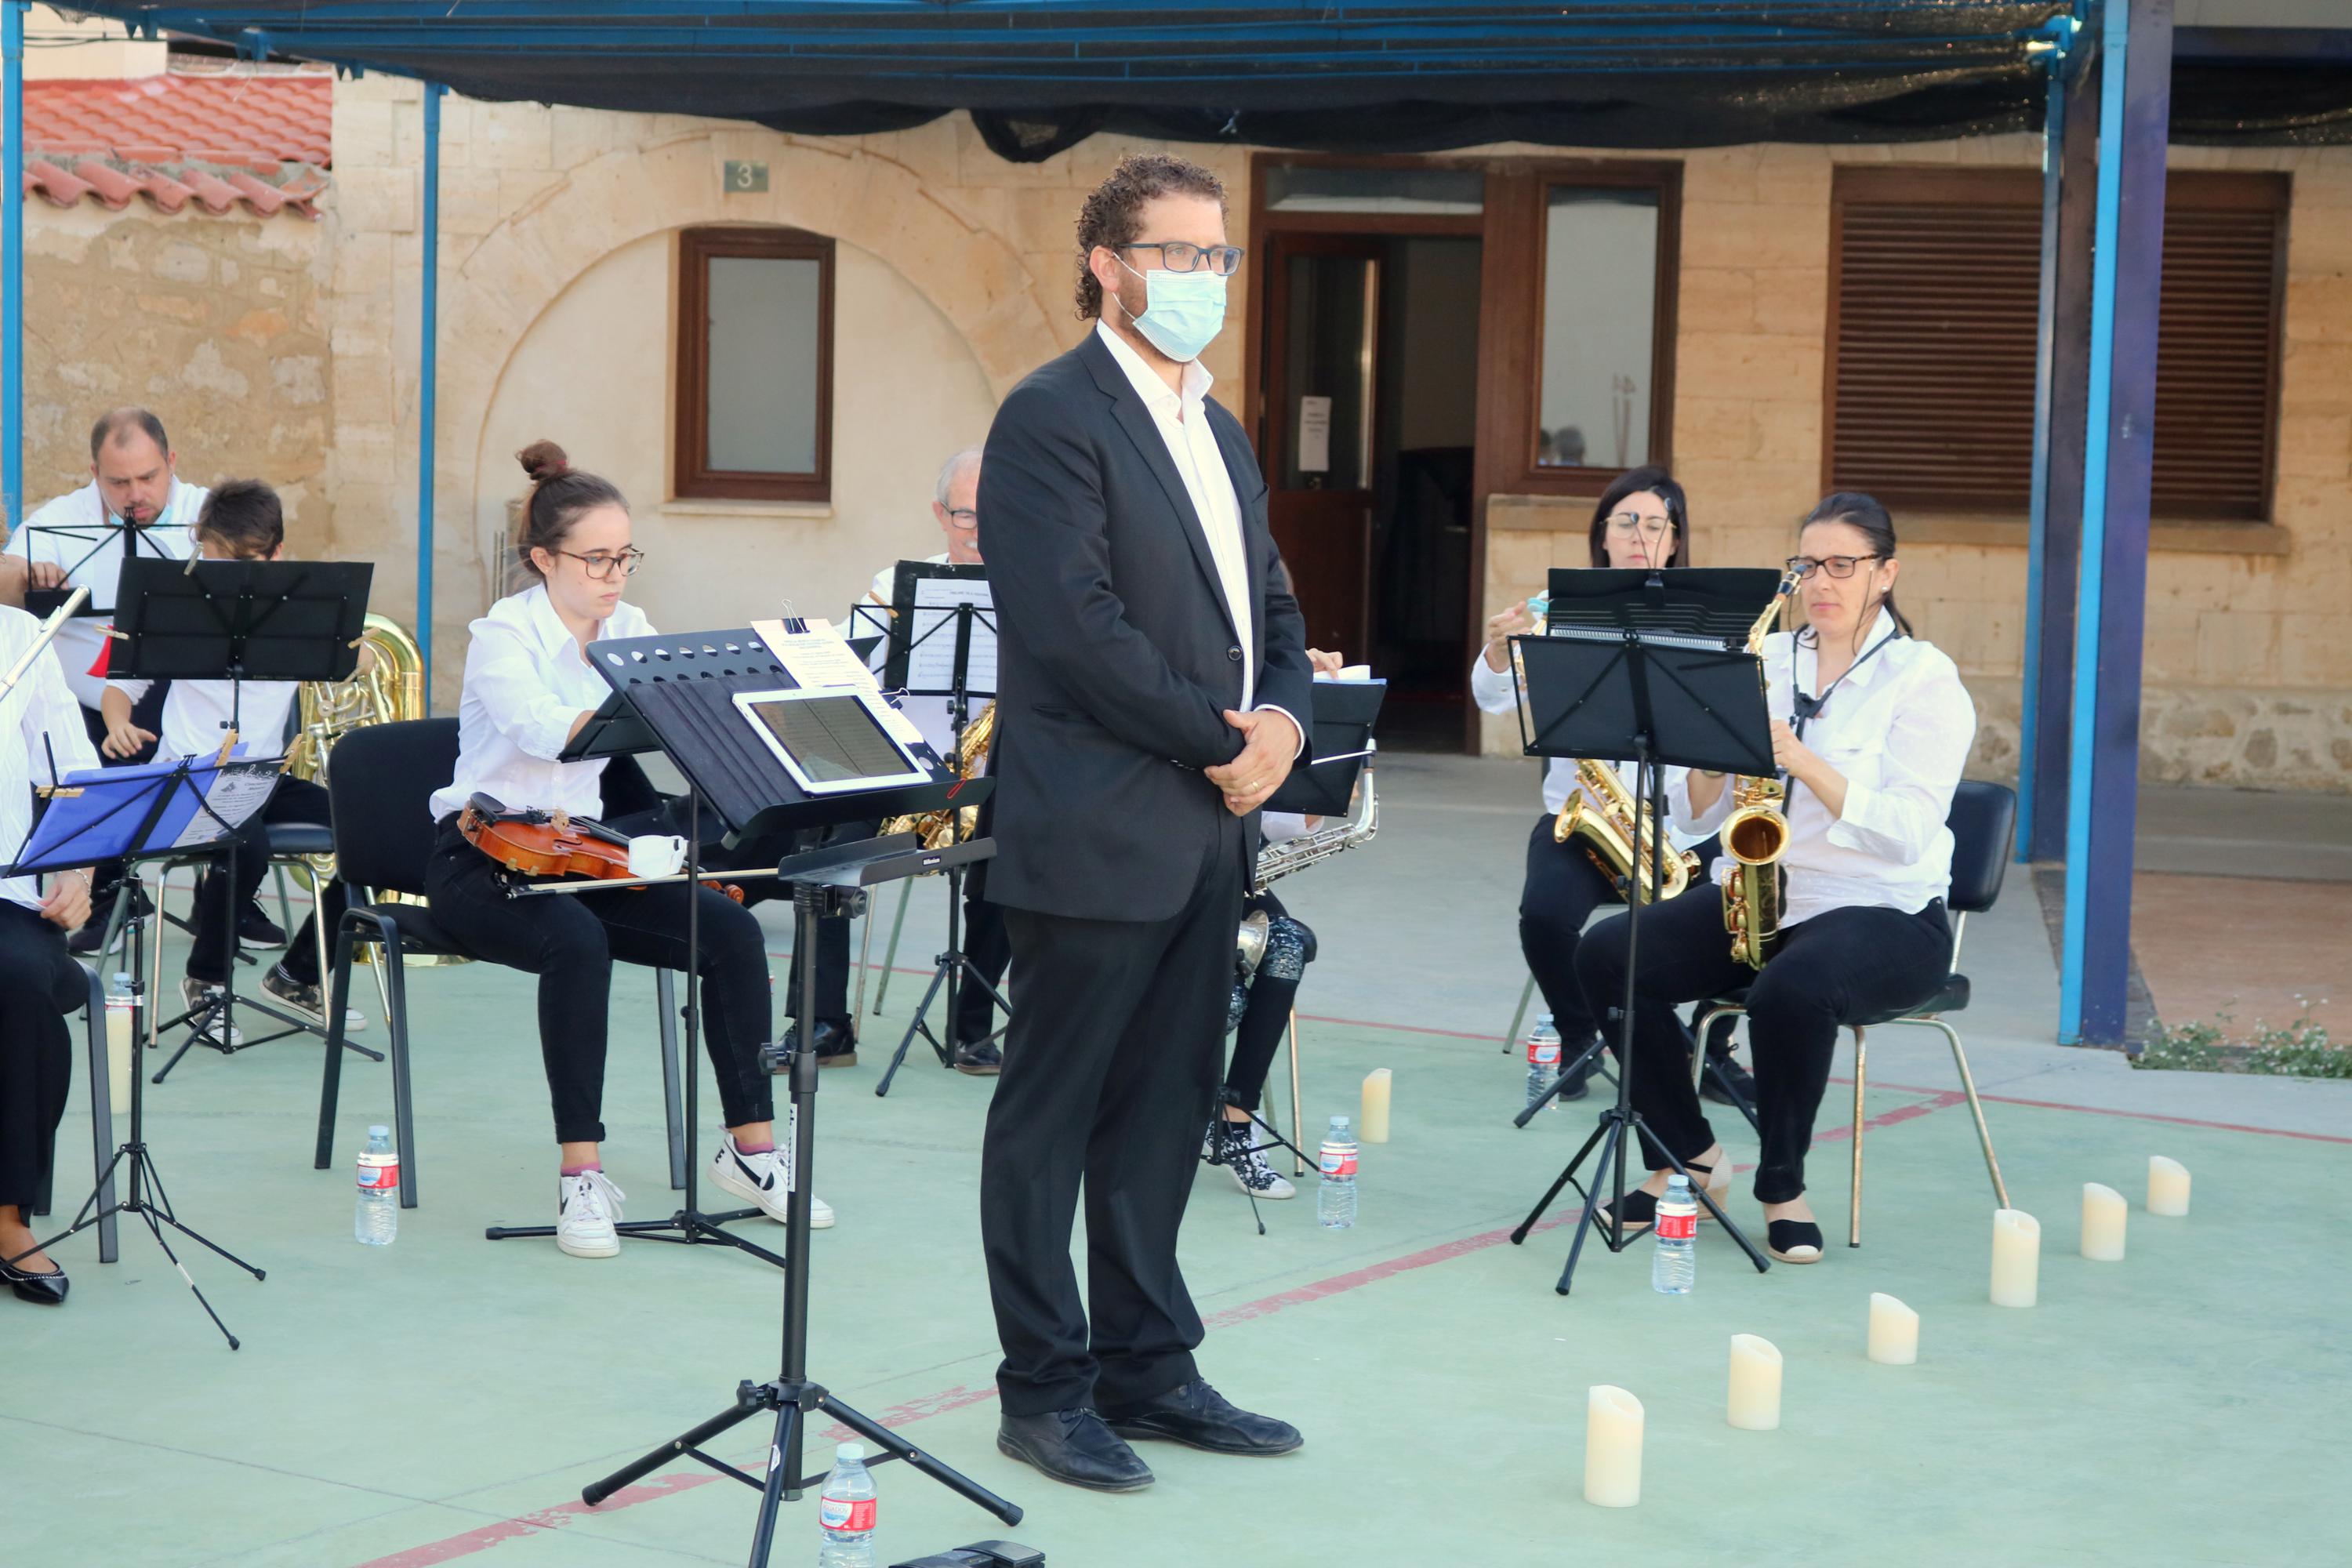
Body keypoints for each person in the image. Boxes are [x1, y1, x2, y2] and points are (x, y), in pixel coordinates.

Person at [978, 152, 1312, 1491]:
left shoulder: (1218, 428)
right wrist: (1224, 743)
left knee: (1170, 1108)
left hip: (1207, 825)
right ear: (1110, 266)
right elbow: (1076, 634)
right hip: (1099, 823)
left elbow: (1272, 614)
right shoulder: (1049, 418)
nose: (1202, 280)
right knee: (1051, 1119)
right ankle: (1042, 1389)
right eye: (1176, 256)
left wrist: (1282, 725)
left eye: (1216, 257)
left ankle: (1149, 1365)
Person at [423, 441, 829, 1259]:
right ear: (543, 558)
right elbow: (545, 729)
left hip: (586, 852)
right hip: (484, 853)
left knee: (731, 930)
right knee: (577, 944)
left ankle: (750, 1151)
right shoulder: (505, 634)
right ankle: (581, 1173)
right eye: (597, 558)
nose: (615, 575)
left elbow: (682, 711)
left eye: (625, 557)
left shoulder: (631, 627)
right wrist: (658, 710)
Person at [1573, 493, 1975, 1265]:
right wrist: (1699, 749)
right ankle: (1689, 1157)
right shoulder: (1765, 659)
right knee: (1607, 953)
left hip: (1884, 909)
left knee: (1789, 989)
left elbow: (1908, 830)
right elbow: (1700, 816)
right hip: (1760, 892)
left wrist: (1803, 760)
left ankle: (1782, 1186)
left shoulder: (1923, 679)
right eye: (1808, 565)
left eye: (1842, 565)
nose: (1821, 581)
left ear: (1885, 573)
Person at [1469, 466, 1752, 1107]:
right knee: (1543, 913)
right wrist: (1496, 652)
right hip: (1588, 820)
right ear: (1601, 534)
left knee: (1748, 903)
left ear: (1676, 541)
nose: (1639, 536)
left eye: (1656, 525)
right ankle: (1581, 1034)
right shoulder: (1554, 611)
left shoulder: (1707, 619)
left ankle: (1714, 1046)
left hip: (1684, 822)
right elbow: (1491, 700)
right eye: (1626, 522)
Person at [99, 480, 366, 1043]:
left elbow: (357, 659)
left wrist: (332, 639)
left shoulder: (294, 605)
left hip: (264, 779)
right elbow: (119, 683)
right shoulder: (177, 602)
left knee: (374, 835)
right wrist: (119, 723)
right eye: (218, 558)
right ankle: (205, 982)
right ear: (201, 543)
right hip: (188, 781)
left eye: (245, 561)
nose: (231, 574)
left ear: (275, 554)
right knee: (246, 843)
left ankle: (298, 974)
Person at [782, 446, 1009, 1073]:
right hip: (906, 774)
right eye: (967, 517)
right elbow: (858, 680)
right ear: (940, 514)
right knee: (822, 843)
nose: (983, 531)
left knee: (1019, 853)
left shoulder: (1045, 586)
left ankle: (973, 1028)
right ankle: (825, 1023)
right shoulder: (896, 586)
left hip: (993, 778)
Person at [0, 410, 240, 953]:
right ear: (93, 473)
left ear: (171, 463)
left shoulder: (207, 512)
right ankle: (103, 885)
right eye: (118, 482)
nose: (135, 493)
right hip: (88, 702)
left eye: (149, 478)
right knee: (59, 752)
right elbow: (4, 576)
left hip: (181, 699)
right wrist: (27, 579)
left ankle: (223, 893)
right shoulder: (63, 519)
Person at [0, 602, 100, 1305]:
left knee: (21, 979)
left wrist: (78, 872)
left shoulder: (18, 638)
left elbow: (78, 777)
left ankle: (7, 1218)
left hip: (4, 893)